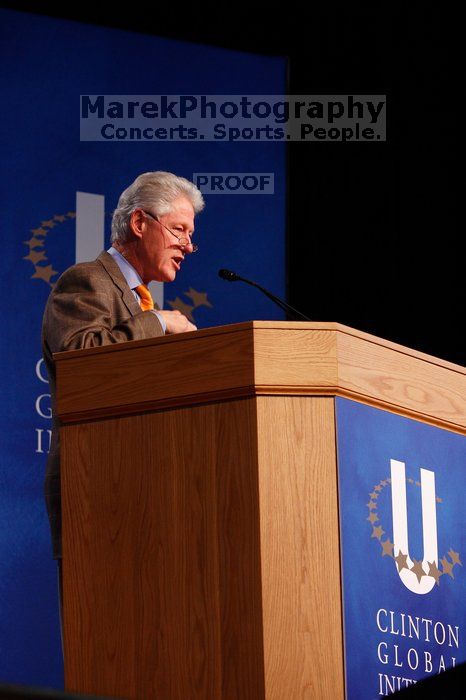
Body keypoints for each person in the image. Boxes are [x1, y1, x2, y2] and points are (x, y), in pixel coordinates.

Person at [42, 171, 204, 569]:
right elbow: (80, 358)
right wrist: (159, 325)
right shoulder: (86, 280)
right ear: (138, 223)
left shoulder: (139, 300)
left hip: (150, 486)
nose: (188, 246)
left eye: (189, 234)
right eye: (179, 231)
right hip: (97, 488)